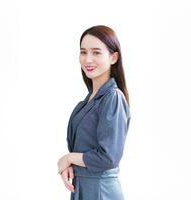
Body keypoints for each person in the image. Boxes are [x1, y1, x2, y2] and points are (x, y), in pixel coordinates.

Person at [57, 25, 131, 200]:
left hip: (100, 191)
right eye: (83, 52)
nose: (88, 59)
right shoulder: (87, 101)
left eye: (96, 52)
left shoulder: (112, 98)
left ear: (113, 57)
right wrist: (72, 164)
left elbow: (108, 158)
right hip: (83, 188)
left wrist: (70, 158)